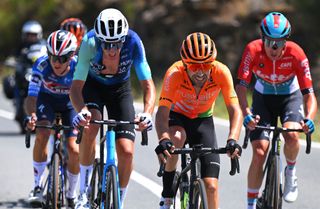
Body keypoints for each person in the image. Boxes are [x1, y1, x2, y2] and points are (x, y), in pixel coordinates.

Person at [70, 8, 156, 209]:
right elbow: (75, 88)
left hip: (120, 90)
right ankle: (83, 192)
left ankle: (120, 200)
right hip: (93, 87)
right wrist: (81, 109)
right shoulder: (89, 43)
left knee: (126, 151)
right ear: (100, 40)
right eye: (107, 44)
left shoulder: (133, 42)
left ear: (123, 39)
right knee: (91, 126)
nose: (112, 49)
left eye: (117, 43)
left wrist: (147, 113)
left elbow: (148, 85)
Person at [235, 12, 317, 209]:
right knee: (260, 151)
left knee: (291, 135)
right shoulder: (252, 51)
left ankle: (290, 171)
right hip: (263, 98)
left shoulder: (296, 53)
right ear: (262, 38)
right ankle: (251, 204)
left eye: (279, 42)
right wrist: (246, 113)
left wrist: (309, 118)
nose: (274, 47)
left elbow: (309, 95)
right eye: (270, 41)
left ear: (285, 41)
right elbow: (241, 87)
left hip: (290, 96)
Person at [155, 32, 243, 209]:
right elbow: (162, 112)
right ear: (185, 64)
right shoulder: (174, 73)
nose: (201, 71)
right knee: (176, 140)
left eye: (206, 64)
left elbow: (235, 110)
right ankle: (167, 196)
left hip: (203, 121)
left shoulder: (221, 72)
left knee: (211, 186)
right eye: (194, 66)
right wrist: (164, 139)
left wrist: (232, 139)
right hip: (177, 117)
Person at [25, 30, 80, 209]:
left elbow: (85, 95)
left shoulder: (79, 67)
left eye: (62, 58)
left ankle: (71, 194)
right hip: (46, 101)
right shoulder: (41, 65)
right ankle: (37, 186)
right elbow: (31, 97)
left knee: (73, 147)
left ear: (71, 56)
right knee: (42, 133)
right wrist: (31, 115)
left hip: (70, 104)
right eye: (53, 57)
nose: (56, 62)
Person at [13, 20, 47, 133]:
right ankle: (18, 107)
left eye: (33, 35)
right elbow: (16, 59)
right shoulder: (21, 47)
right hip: (25, 73)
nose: (31, 37)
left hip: (39, 73)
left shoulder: (44, 45)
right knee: (14, 83)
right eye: (29, 35)